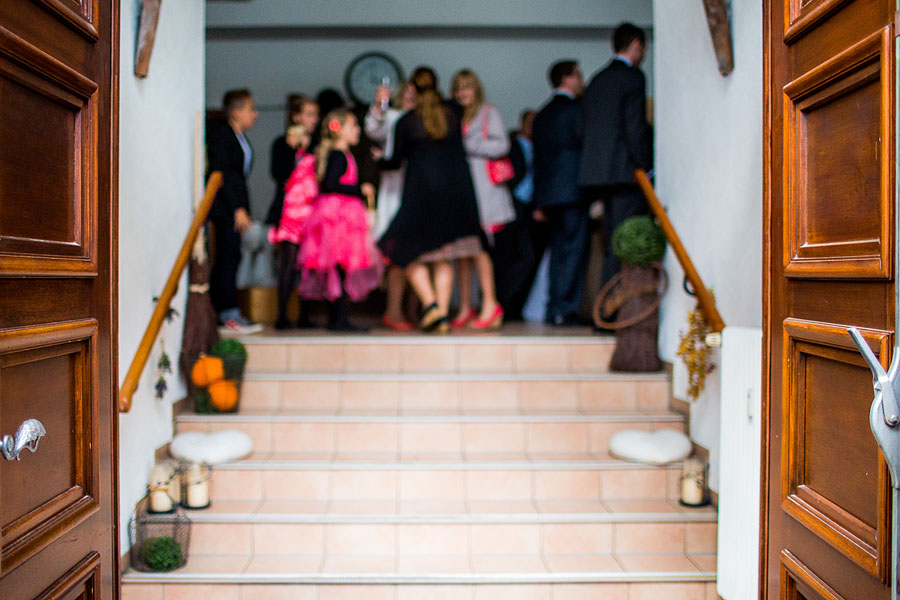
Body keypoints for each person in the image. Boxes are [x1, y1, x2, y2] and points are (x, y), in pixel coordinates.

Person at [377, 67, 487, 333]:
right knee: (442, 257)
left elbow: (394, 162)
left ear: (413, 88)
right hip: (455, 196)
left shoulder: (407, 122)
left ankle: (432, 307)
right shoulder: (453, 114)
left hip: (421, 197)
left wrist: (377, 160)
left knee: (398, 249)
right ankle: (440, 315)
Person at [579, 23, 653, 287]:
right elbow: (635, 127)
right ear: (636, 44)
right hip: (625, 173)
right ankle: (614, 310)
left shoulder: (597, 80)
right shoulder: (633, 77)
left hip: (597, 175)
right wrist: (646, 166)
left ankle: (604, 309)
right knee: (624, 243)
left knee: (610, 242)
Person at [298, 110, 382, 331]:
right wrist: (359, 189)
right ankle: (339, 319)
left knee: (339, 267)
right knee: (339, 267)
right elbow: (330, 184)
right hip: (338, 216)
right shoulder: (338, 154)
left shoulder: (344, 154)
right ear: (341, 129)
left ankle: (338, 318)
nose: (357, 130)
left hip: (340, 214)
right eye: (353, 126)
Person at [450, 69, 514, 330]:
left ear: (475, 89)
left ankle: (490, 303)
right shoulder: (453, 116)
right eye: (458, 88)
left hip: (484, 193)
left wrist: (470, 145)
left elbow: (502, 146)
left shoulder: (489, 113)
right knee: (462, 250)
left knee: (480, 248)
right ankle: (466, 305)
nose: (463, 93)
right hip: (460, 191)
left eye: (467, 87)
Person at [533, 60, 586, 326]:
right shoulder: (576, 110)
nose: (582, 80)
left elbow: (539, 161)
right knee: (573, 251)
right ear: (567, 78)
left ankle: (554, 307)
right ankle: (567, 310)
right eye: (578, 75)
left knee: (557, 253)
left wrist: (539, 200)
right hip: (573, 191)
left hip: (550, 195)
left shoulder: (542, 115)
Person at [206, 88, 263, 334]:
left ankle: (228, 310)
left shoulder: (240, 137)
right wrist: (237, 208)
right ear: (236, 112)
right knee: (228, 257)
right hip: (225, 208)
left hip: (236, 206)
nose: (256, 114)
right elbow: (224, 175)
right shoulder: (223, 136)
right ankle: (227, 312)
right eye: (251, 109)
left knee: (233, 256)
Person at [365, 80, 417, 331]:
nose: (410, 98)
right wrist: (378, 105)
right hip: (395, 193)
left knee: (420, 254)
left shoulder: (422, 120)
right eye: (405, 94)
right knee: (398, 255)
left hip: (418, 193)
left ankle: (413, 311)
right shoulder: (393, 117)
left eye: (414, 94)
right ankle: (394, 311)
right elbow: (373, 129)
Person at [493, 109, 546, 321]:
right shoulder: (511, 147)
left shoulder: (542, 150)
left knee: (528, 259)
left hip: (531, 214)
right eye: (530, 122)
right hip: (510, 211)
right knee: (507, 260)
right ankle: (503, 304)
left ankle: (512, 305)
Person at [268, 125, 317, 330]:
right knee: (288, 264)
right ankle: (282, 315)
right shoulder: (283, 148)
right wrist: (292, 149)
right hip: (290, 213)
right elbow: (279, 173)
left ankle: (304, 315)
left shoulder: (315, 151)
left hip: (310, 213)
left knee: (308, 266)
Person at [266, 95, 319, 227]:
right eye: (309, 115)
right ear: (296, 117)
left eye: (316, 115)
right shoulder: (282, 144)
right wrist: (294, 150)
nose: (314, 120)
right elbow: (277, 173)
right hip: (287, 207)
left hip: (312, 207)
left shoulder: (318, 144)